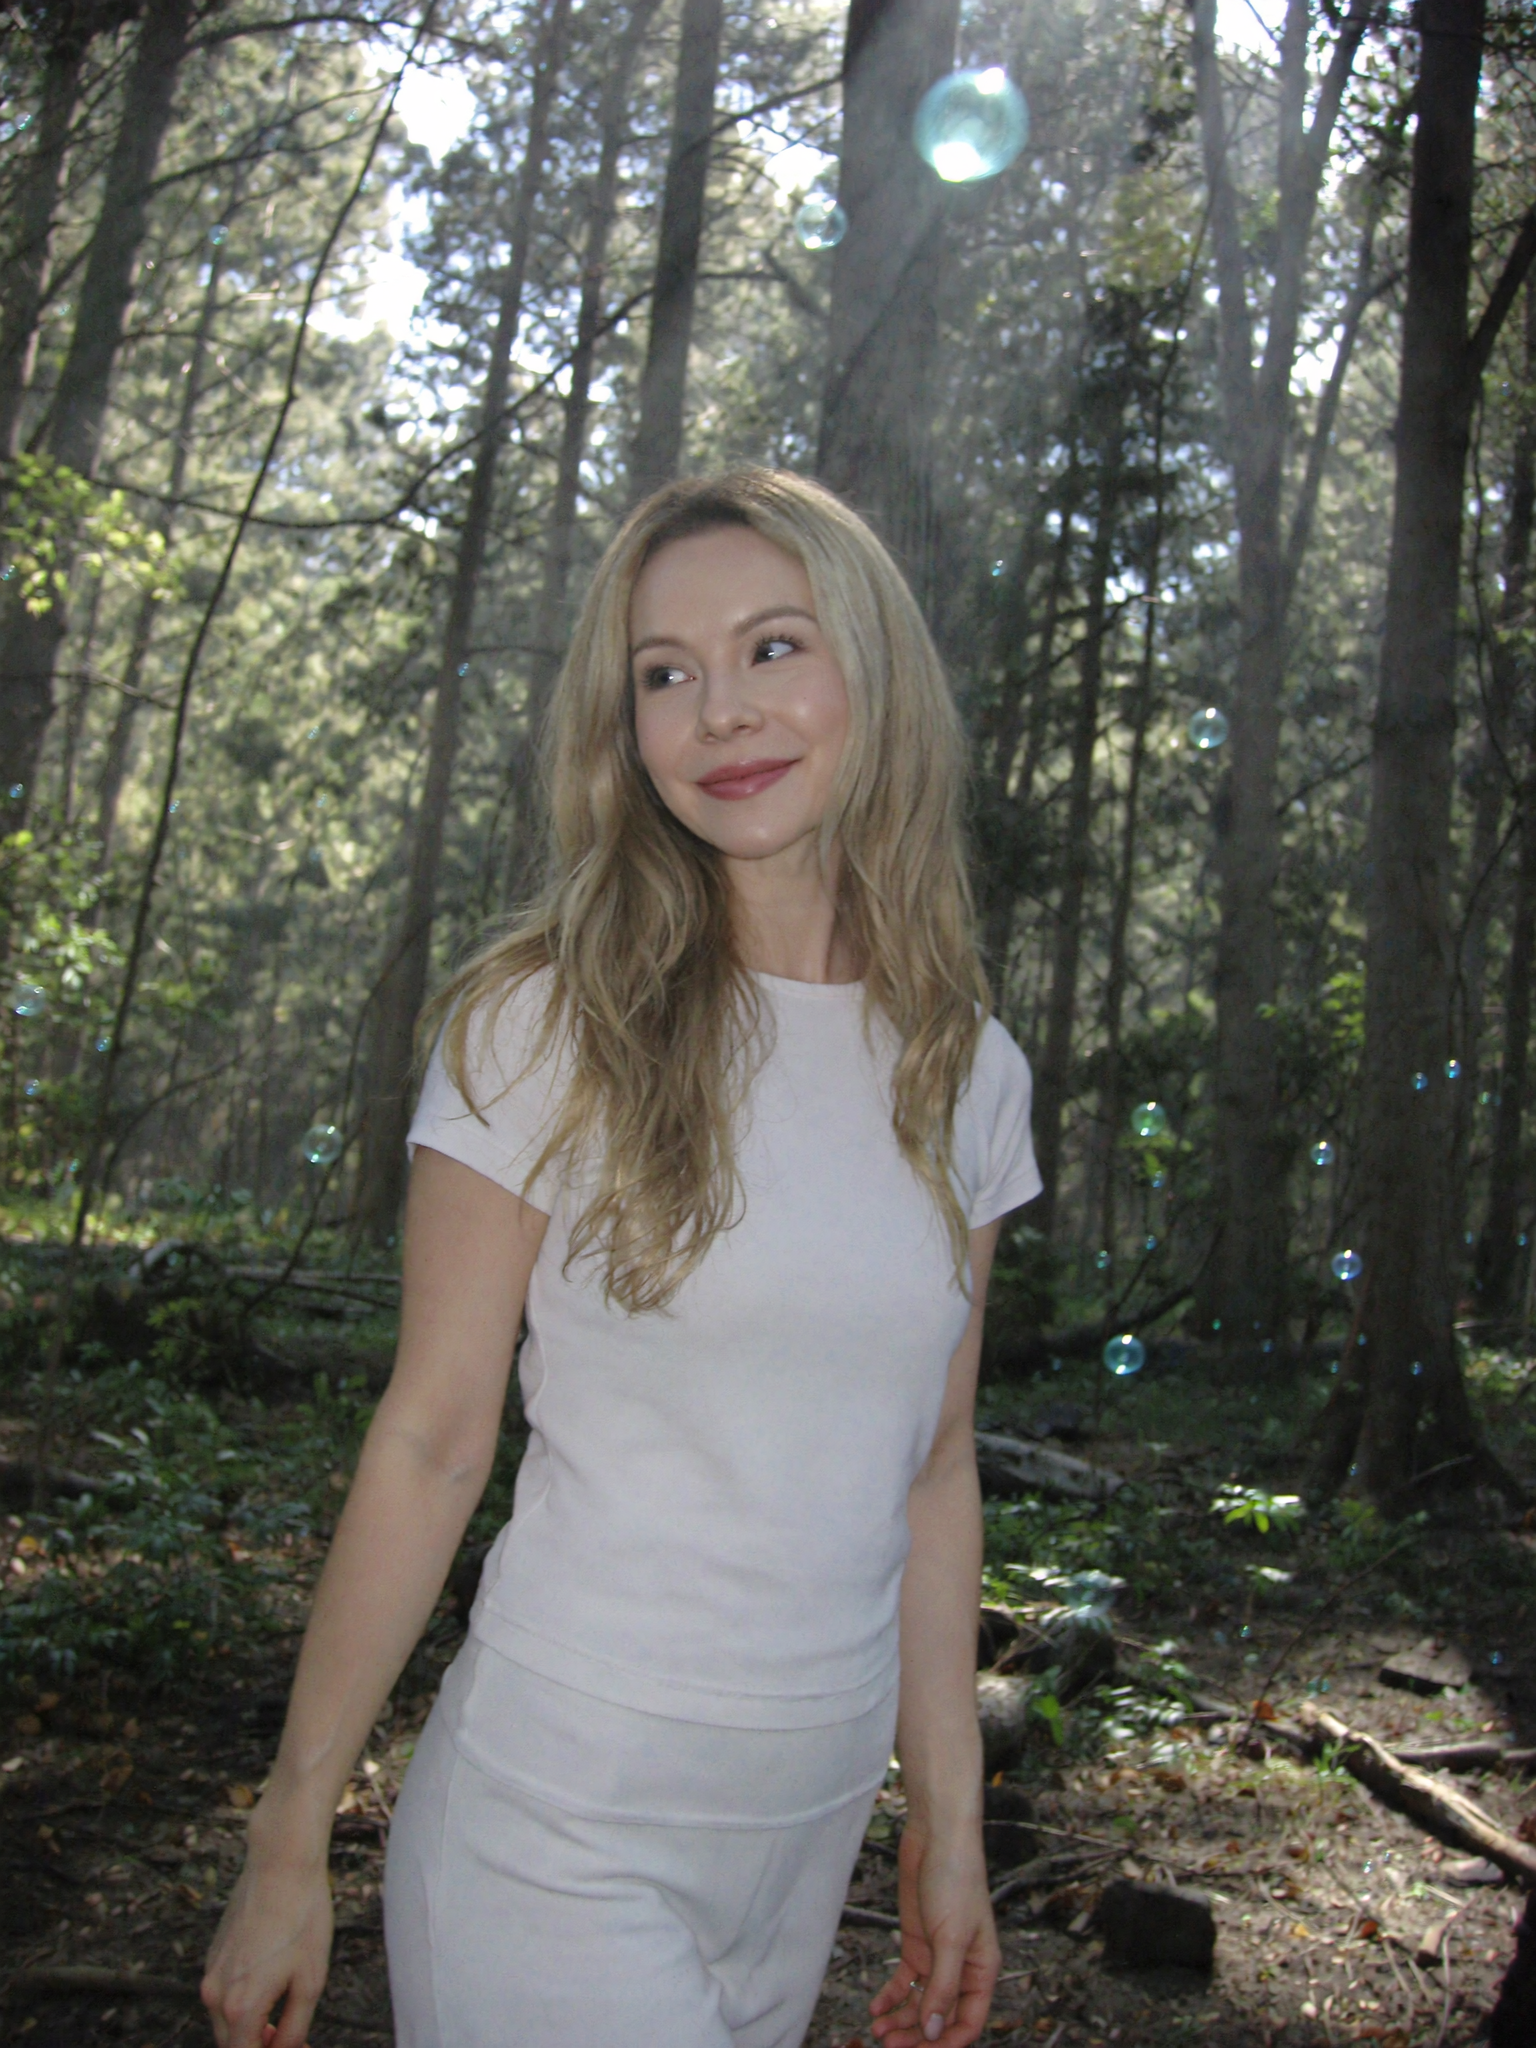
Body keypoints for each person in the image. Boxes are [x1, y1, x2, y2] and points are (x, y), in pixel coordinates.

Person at [202, 469, 1042, 2048]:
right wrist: (290, 1832)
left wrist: (948, 1825)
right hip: (558, 1825)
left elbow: (932, 1470)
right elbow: (436, 1438)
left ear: (875, 673)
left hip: (802, 1844)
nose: (721, 712)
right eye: (667, 674)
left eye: (775, 649)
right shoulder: (541, 1022)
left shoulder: (966, 1069)